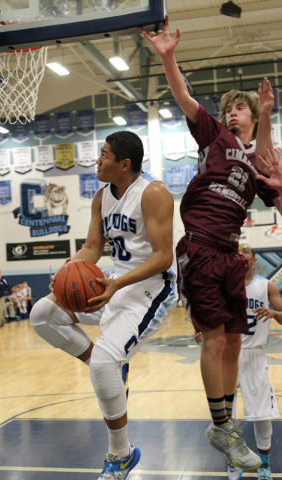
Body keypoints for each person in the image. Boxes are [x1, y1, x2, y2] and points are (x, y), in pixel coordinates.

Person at [140, 15, 282, 469]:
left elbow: (275, 188)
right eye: (232, 108)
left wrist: (266, 120)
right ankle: (222, 426)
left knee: (236, 341)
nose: (234, 112)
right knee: (216, 340)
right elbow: (183, 95)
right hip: (199, 245)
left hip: (230, 254)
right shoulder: (214, 137)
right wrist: (168, 57)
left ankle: (226, 425)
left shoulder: (262, 162)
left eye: (242, 108)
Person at [30, 130, 177, 480]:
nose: (97, 159)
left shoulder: (153, 193)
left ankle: (121, 453)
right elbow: (92, 248)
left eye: (104, 154)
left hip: (149, 289)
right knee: (42, 314)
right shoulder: (101, 196)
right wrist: (67, 269)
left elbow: (162, 257)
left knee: (102, 366)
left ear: (124, 164)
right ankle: (109, 363)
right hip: (113, 282)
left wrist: (117, 284)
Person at [228, 244, 282, 480]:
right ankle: (233, 461)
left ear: (253, 261)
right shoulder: (224, 286)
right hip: (227, 355)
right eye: (237, 251)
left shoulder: (266, 285)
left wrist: (273, 313)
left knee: (262, 415)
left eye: (246, 251)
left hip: (254, 355)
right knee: (225, 415)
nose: (241, 253)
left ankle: (265, 465)